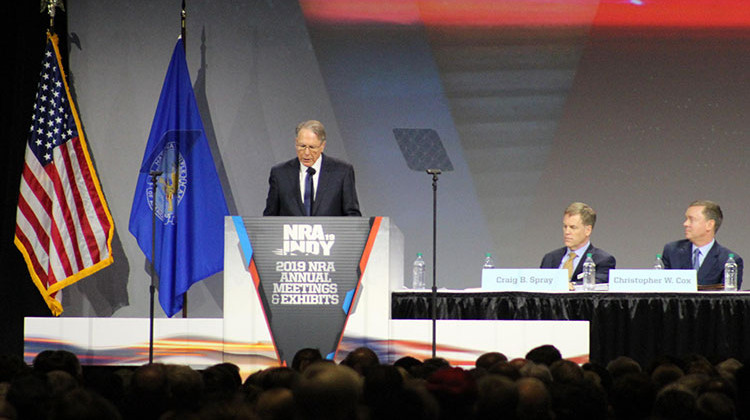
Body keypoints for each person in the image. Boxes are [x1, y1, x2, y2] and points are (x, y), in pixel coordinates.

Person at [263, 120, 361, 216]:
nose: (306, 153)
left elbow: (352, 216)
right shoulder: (280, 174)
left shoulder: (342, 172)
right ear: (296, 142)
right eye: (302, 146)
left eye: (312, 147)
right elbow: (270, 217)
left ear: (322, 146)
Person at [661, 200, 743, 288]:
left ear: (709, 225)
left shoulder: (729, 260)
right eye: (686, 219)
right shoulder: (672, 251)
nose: (685, 224)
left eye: (691, 219)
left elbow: (728, 299)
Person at [540, 202, 616, 284]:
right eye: (565, 226)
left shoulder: (603, 260)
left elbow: (597, 285)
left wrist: (568, 286)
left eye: (573, 227)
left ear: (588, 230)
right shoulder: (550, 258)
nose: (567, 232)